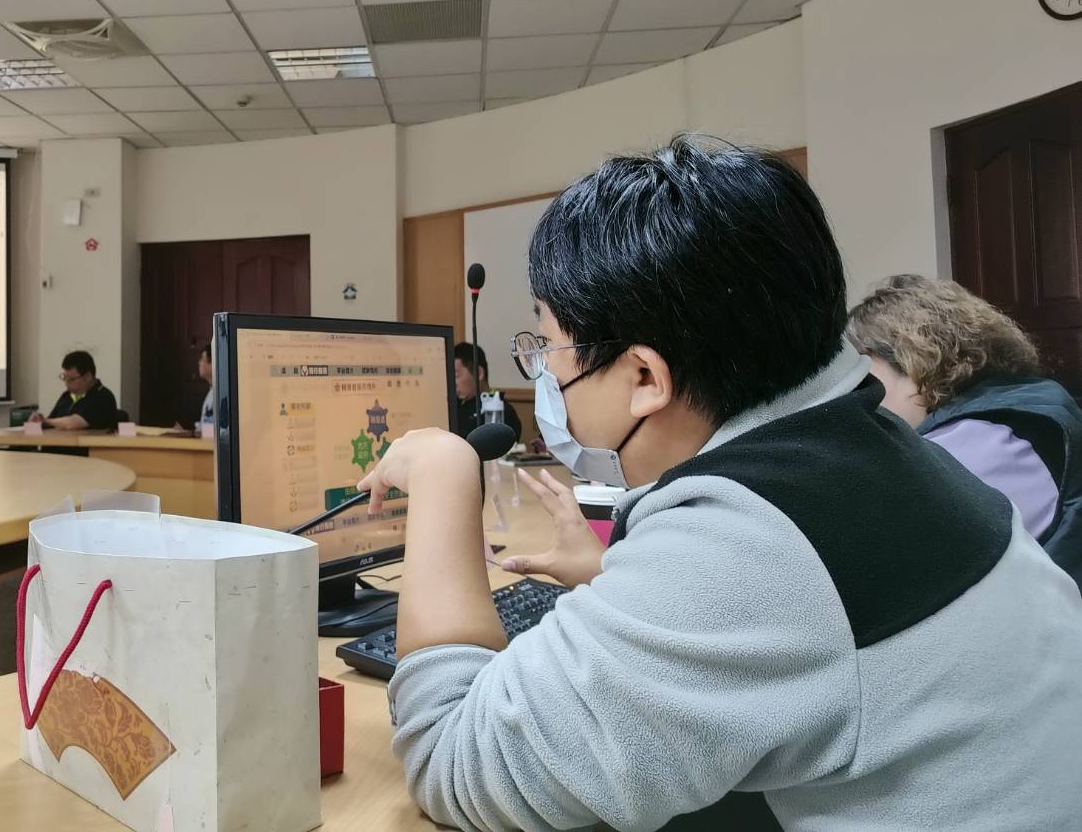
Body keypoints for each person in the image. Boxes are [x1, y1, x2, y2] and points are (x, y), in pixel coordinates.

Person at [357, 136, 1082, 831]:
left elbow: (457, 761)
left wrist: (446, 471)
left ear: (645, 376)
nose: (545, 369)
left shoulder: (752, 538)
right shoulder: (871, 455)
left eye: (547, 345)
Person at [848, 274, 1082, 588]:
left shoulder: (986, 440)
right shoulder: (1023, 403)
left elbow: (892, 560)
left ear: (912, 361)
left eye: (865, 375)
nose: (862, 396)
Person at [452, 342, 522, 441]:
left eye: (456, 375)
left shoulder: (500, 411)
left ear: (479, 373)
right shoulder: (455, 407)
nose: (452, 382)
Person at [35, 350, 118, 432]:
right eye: (64, 378)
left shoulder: (103, 397)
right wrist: (38, 421)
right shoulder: (66, 396)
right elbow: (50, 422)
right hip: (58, 439)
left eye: (71, 379)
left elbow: (74, 423)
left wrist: (46, 421)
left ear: (88, 376)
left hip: (87, 441)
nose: (66, 383)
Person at [198, 343, 215, 428]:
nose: (199, 363)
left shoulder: (219, 394)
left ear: (212, 363)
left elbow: (212, 431)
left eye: (202, 359)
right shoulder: (212, 391)